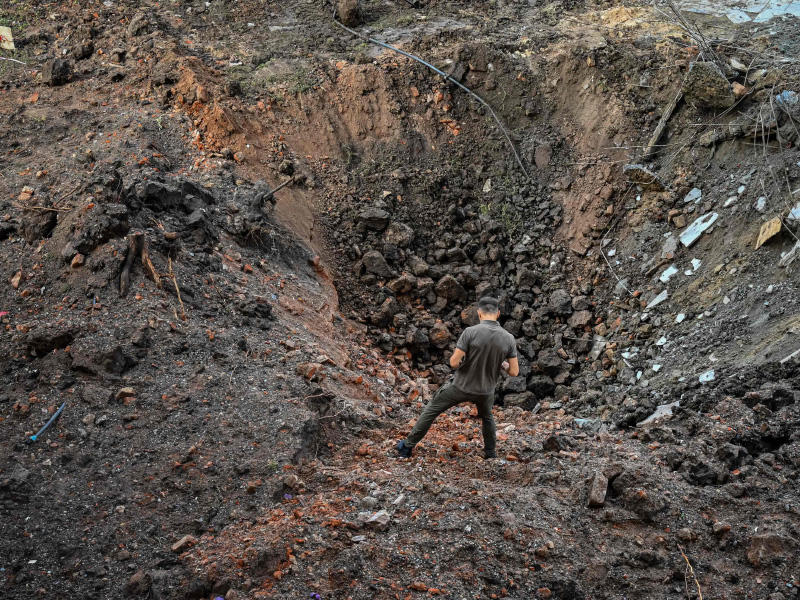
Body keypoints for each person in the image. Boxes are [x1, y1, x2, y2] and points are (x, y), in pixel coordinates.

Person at [396, 296, 519, 459]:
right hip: (485, 391)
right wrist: (501, 363)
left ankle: (406, 447)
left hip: (461, 386)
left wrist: (467, 361)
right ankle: (490, 454)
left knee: (431, 409)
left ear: (479, 313)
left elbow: (453, 362)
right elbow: (514, 372)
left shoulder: (470, 332)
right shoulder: (508, 338)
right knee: (487, 417)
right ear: (498, 314)